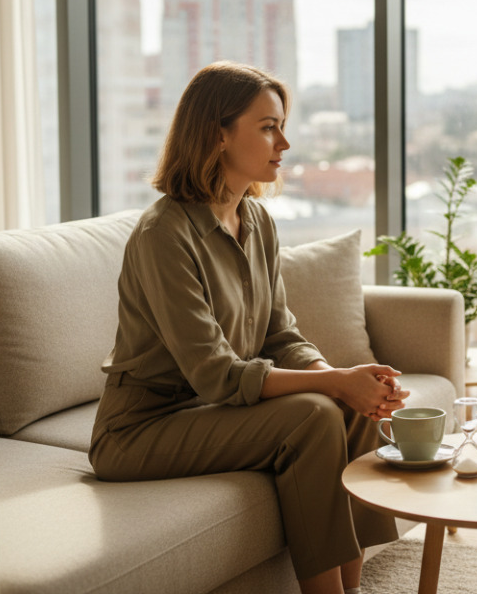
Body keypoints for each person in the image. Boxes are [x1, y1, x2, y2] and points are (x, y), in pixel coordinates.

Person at [89, 61, 407, 594]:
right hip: (140, 428)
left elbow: (279, 335)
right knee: (312, 414)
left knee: (348, 411)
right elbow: (216, 374)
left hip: (209, 411)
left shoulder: (256, 220)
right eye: (267, 127)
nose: (284, 142)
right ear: (217, 133)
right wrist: (331, 383)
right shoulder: (163, 235)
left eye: (281, 125)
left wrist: (344, 378)